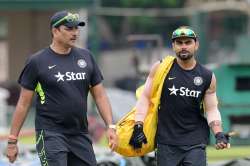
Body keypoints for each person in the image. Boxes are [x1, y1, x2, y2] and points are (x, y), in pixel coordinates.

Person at [6, 10, 117, 166]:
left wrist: (110, 126)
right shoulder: (37, 61)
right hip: (50, 134)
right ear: (55, 31)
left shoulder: (86, 57)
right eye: (69, 29)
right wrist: (12, 141)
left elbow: (100, 96)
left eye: (77, 28)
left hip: (79, 134)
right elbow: (23, 103)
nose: (75, 33)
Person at [129, 26, 230, 166]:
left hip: (195, 142)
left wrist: (218, 133)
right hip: (166, 143)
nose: (183, 46)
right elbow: (145, 97)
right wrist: (138, 126)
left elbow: (211, 109)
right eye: (179, 43)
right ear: (173, 46)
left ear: (196, 45)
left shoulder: (207, 76)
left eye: (188, 42)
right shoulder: (160, 68)